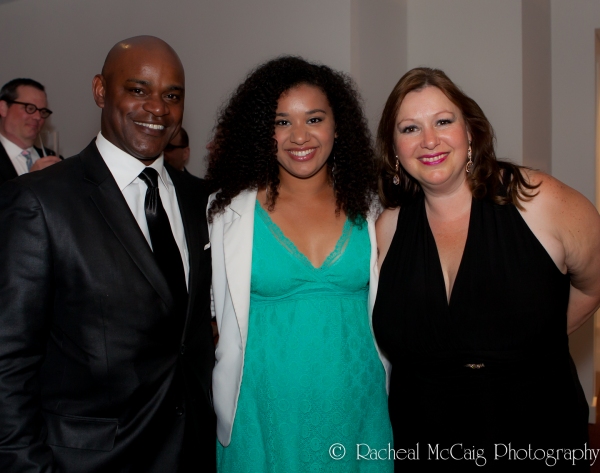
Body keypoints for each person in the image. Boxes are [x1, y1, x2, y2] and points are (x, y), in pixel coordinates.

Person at [0, 36, 215, 472]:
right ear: (100, 90)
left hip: (194, 453)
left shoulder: (202, 200)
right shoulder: (41, 203)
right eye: (138, 90)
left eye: (172, 96)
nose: (158, 108)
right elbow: (9, 362)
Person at [373, 67, 600, 471]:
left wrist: (532, 340)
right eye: (410, 129)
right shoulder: (388, 228)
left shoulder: (539, 201)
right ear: (393, 150)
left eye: (443, 121)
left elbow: (594, 285)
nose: (429, 140)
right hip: (425, 441)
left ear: (471, 133)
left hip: (535, 435)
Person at [206, 56, 393, 472]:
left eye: (314, 118)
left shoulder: (374, 211)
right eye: (282, 122)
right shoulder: (226, 215)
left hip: (359, 414)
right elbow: (211, 318)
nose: (299, 136)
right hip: (261, 418)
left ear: (337, 125)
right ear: (263, 130)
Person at [0, 78, 61, 185]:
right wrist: (30, 181)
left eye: (42, 111)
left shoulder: (52, 158)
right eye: (30, 108)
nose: (38, 117)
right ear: (3, 108)